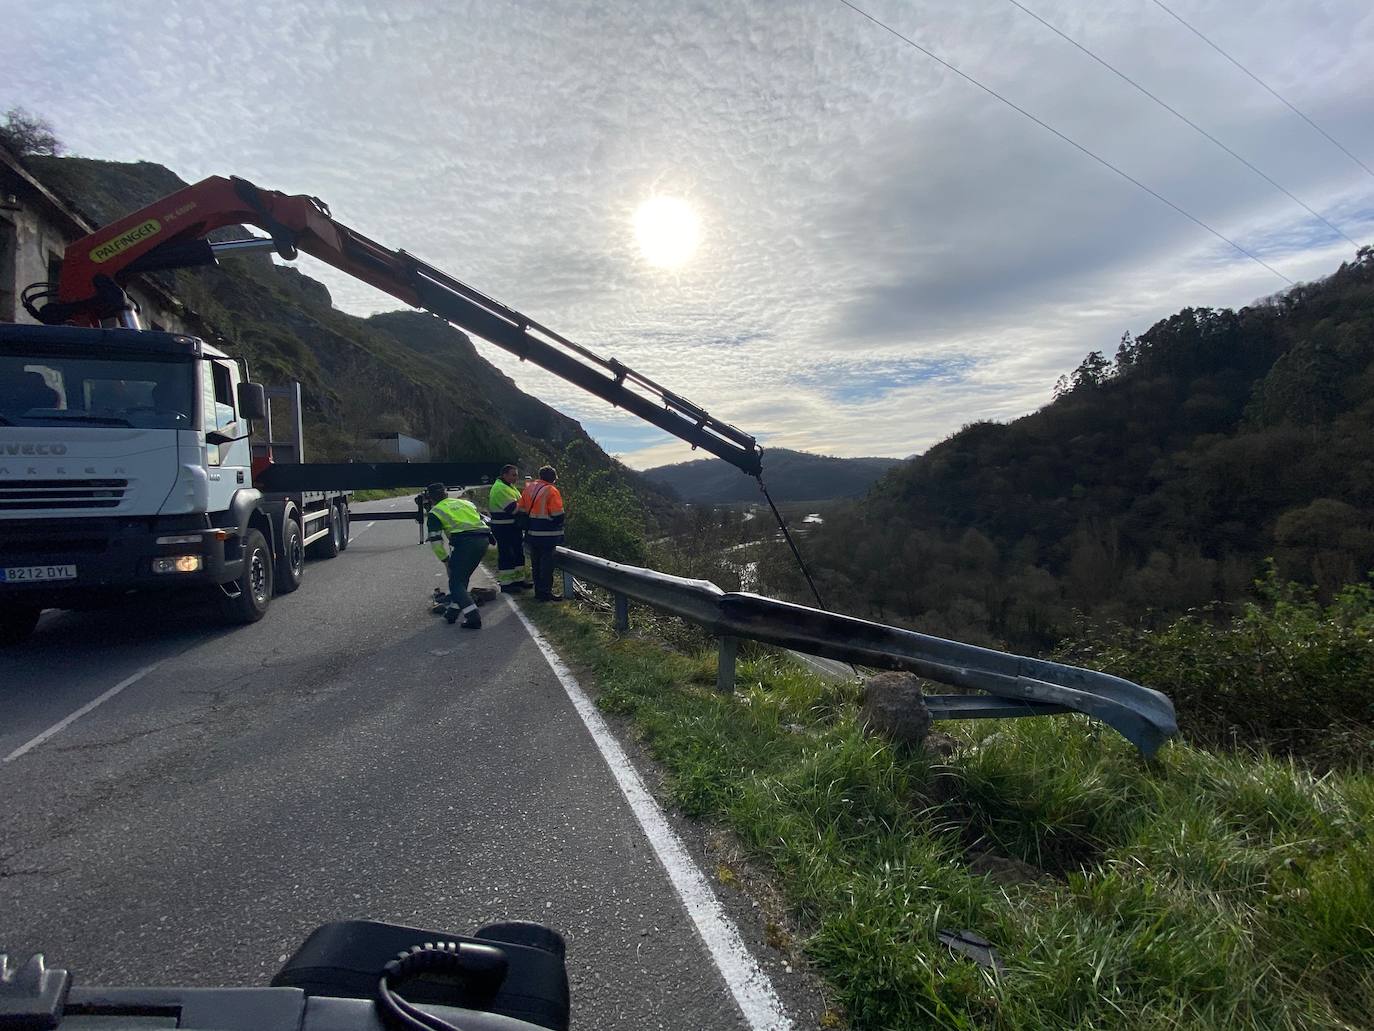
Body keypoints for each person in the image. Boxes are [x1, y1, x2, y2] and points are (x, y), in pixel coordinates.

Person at [424, 482, 492, 628]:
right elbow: (484, 518)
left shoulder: (435, 512)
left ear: (430, 499)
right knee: (462, 577)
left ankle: (473, 617)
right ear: (446, 494)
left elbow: (436, 542)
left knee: (455, 583)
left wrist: (446, 560)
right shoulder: (465, 503)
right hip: (483, 539)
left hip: (465, 543)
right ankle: (452, 613)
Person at [517, 465, 565, 602]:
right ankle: (545, 593)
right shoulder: (551, 490)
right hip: (547, 534)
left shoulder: (529, 488)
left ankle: (538, 592)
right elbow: (558, 515)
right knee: (546, 565)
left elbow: (521, 509)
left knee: (536, 564)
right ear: (553, 478)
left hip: (532, 533)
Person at [488, 464, 529, 593]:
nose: (516, 477)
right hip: (503, 527)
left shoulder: (509, 487)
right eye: (513, 475)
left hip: (512, 526)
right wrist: (528, 506)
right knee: (507, 554)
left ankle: (519, 580)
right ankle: (507, 584)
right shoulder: (500, 489)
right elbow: (514, 509)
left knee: (518, 553)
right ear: (504, 475)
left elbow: (520, 503)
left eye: (516, 474)